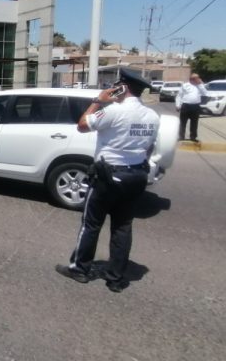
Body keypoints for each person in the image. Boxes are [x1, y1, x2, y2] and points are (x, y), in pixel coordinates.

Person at [55, 70, 160, 293]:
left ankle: (79, 269)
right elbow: (149, 147)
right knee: (123, 226)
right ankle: (115, 277)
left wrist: (97, 101)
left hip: (109, 176)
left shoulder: (113, 111)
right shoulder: (152, 116)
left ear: (122, 87)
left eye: (117, 86)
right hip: (137, 175)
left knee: (91, 224)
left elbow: (82, 125)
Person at [175, 73, 206, 142]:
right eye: (196, 78)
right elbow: (179, 95)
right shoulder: (185, 85)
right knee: (183, 122)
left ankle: (193, 137)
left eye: (198, 78)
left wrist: (200, 84)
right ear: (191, 79)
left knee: (194, 123)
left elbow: (205, 93)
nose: (198, 79)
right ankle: (181, 136)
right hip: (186, 106)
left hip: (196, 106)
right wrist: (178, 105)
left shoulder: (200, 86)